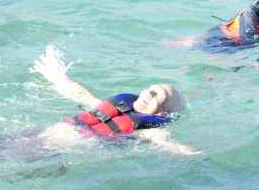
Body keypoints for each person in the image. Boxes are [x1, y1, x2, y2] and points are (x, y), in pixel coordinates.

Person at [31, 46, 197, 155]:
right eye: (151, 89)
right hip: (45, 134)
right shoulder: (120, 106)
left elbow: (170, 144)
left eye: (158, 96)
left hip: (57, 149)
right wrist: (57, 75)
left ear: (162, 112)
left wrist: (195, 156)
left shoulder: (149, 129)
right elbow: (79, 94)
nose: (149, 94)